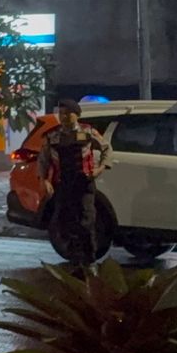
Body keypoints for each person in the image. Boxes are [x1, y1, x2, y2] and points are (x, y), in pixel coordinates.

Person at [37, 98, 111, 270]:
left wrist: (100, 168)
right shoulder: (52, 136)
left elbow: (107, 149)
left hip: (84, 183)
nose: (63, 117)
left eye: (67, 113)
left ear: (76, 115)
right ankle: (73, 258)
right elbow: (43, 160)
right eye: (61, 114)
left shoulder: (88, 132)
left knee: (86, 220)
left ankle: (88, 259)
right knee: (64, 221)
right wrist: (44, 180)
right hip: (62, 183)